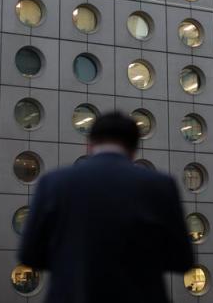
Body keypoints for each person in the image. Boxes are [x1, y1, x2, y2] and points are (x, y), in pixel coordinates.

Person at [19, 112, 194, 303]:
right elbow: (182, 260)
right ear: (134, 148)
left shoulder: (53, 183)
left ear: (89, 144)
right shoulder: (160, 185)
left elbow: (29, 255)